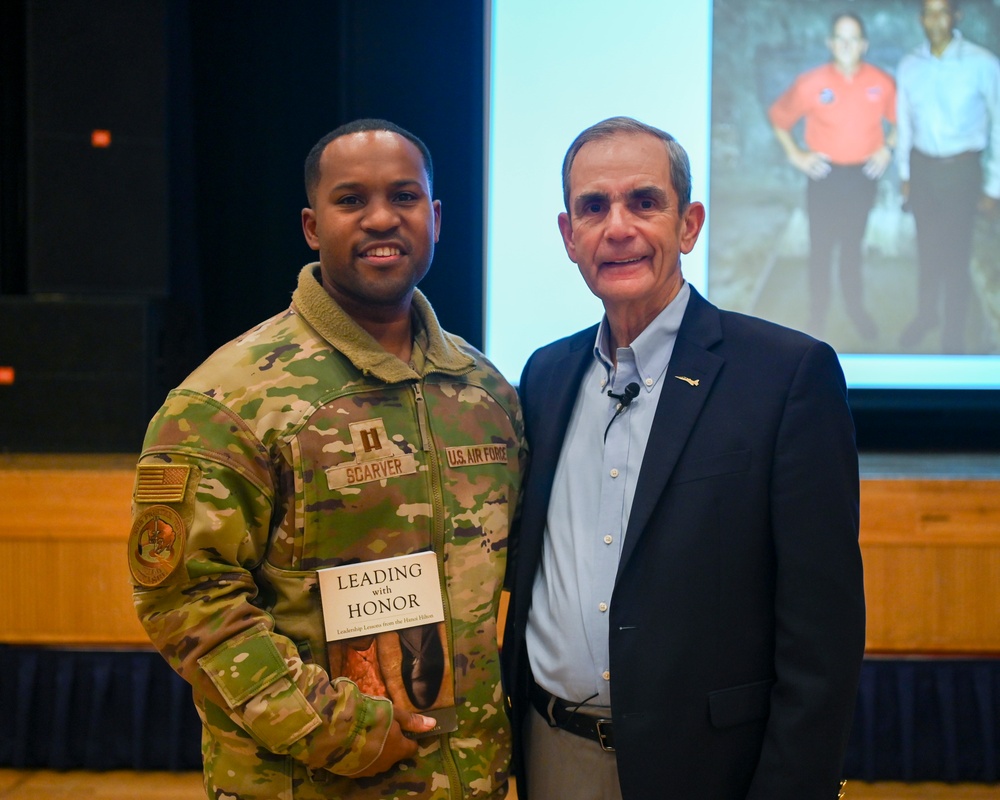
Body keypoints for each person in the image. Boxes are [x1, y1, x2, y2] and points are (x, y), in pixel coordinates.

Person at [127, 118, 526, 799]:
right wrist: (338, 728)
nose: (381, 219)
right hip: (314, 779)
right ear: (313, 226)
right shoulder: (228, 398)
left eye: (403, 197)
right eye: (351, 200)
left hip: (467, 779)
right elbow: (186, 600)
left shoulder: (486, 392)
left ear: (434, 218)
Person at [502, 117, 865, 800]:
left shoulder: (787, 376)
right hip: (552, 755)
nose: (618, 227)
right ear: (568, 235)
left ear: (689, 224)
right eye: (594, 207)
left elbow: (824, 637)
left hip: (708, 769)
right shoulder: (544, 377)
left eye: (644, 202)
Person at [769, 11, 897, 340]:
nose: (846, 45)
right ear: (830, 43)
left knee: (852, 247)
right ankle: (817, 314)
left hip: (862, 177)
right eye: (839, 38)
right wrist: (796, 154)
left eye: (853, 38)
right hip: (824, 176)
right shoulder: (811, 82)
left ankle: (856, 309)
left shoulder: (881, 83)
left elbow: (902, 121)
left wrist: (888, 147)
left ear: (864, 44)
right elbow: (779, 118)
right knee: (821, 248)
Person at [896, 0, 1000, 352]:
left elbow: (999, 122)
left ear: (957, 16)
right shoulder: (910, 65)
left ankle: (953, 332)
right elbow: (905, 123)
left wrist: (993, 186)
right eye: (929, 12)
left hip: (962, 171)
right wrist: (905, 175)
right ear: (920, 18)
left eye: (943, 11)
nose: (935, 20)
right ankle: (926, 315)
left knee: (956, 254)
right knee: (926, 250)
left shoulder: (983, 63)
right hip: (923, 169)